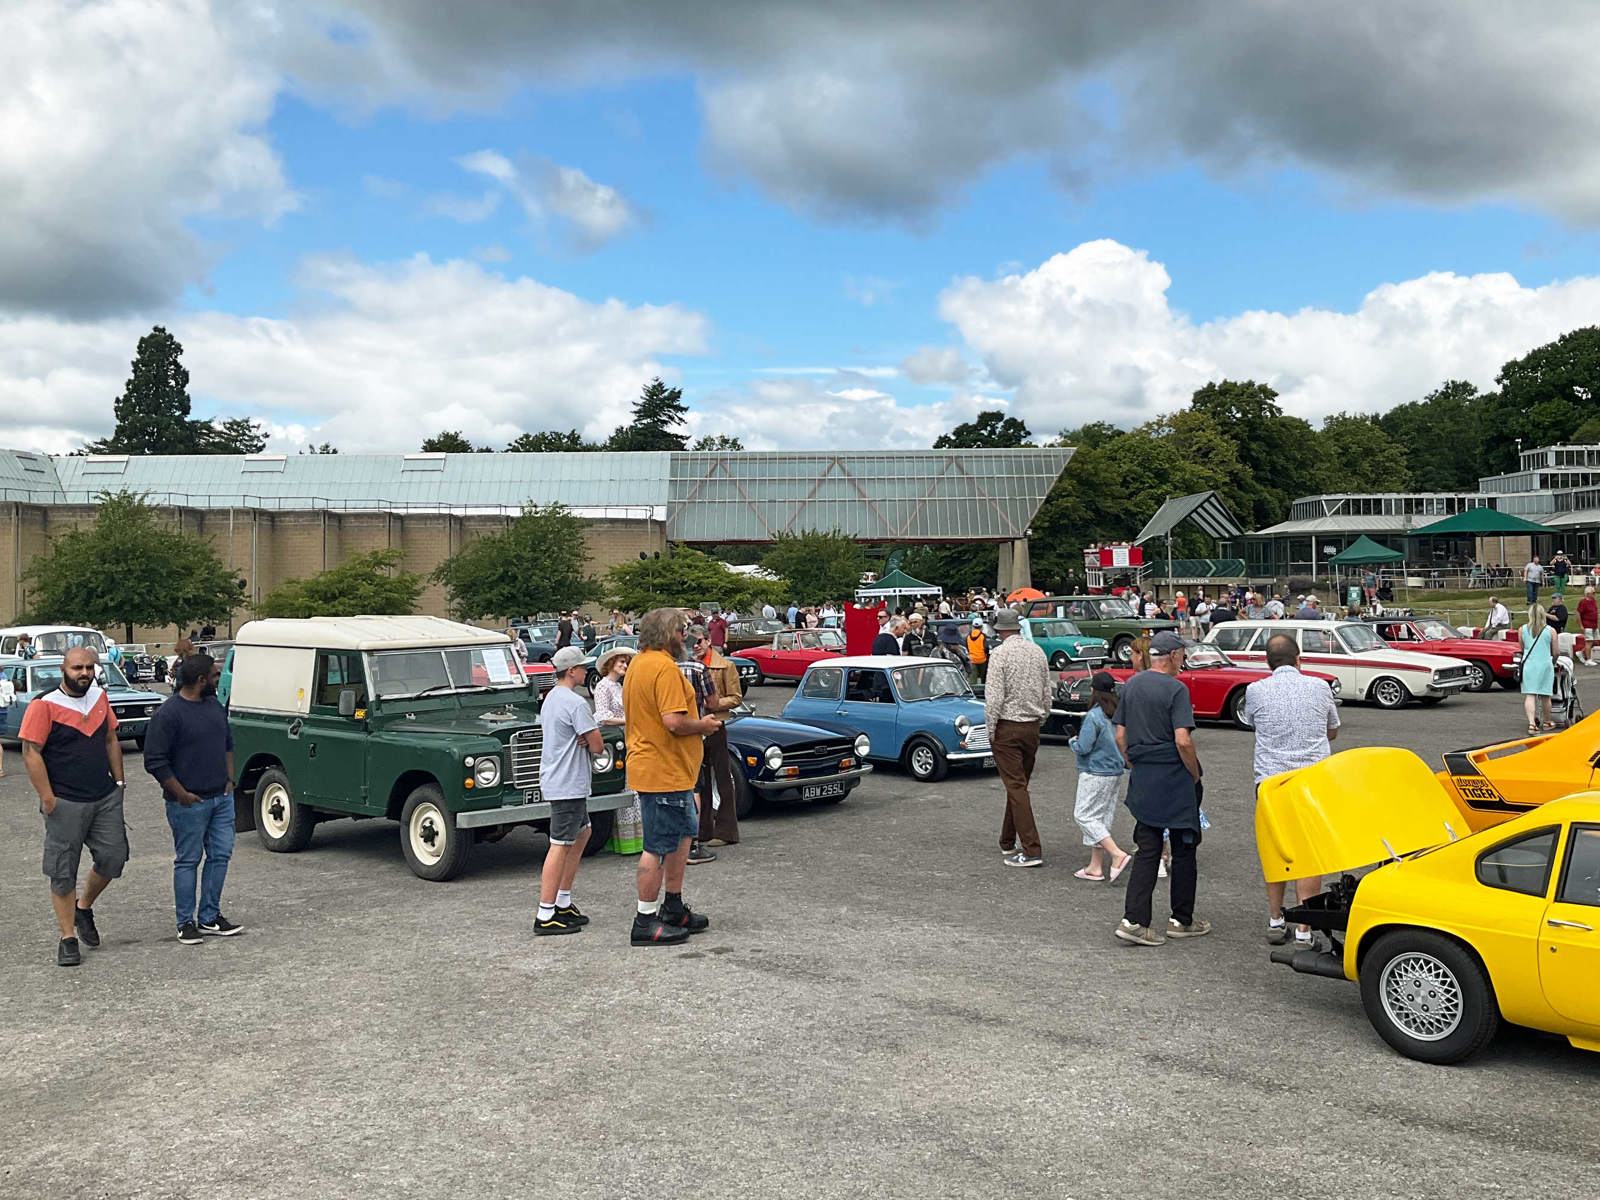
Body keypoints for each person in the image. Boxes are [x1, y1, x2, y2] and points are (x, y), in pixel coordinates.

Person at [18, 646, 128, 966]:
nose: (84, 673)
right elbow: (30, 752)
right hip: (65, 801)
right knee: (62, 871)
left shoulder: (99, 697)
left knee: (113, 858)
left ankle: (84, 907)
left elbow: (110, 739)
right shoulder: (45, 705)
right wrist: (48, 798)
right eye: (77, 667)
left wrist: (119, 783)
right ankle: (68, 937)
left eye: (89, 668)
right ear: (63, 669)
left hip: (104, 797)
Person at [622, 608, 721, 945]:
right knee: (659, 845)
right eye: (681, 631)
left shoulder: (638, 663)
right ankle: (644, 920)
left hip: (670, 769)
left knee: (680, 837)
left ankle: (673, 906)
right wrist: (705, 725)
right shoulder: (662, 668)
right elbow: (674, 722)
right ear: (667, 634)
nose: (686, 638)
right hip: (663, 770)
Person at [1243, 634, 1341, 947]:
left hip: (1272, 783)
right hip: (1312, 782)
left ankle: (1276, 919)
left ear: (1267, 662)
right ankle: (1304, 928)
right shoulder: (1320, 687)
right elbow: (1333, 729)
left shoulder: (1255, 690)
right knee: (1309, 853)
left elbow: (1252, 722)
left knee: (1276, 850)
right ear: (1300, 659)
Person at [1113, 631, 1208, 946]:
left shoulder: (1132, 685)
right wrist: (1194, 773)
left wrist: (1133, 763)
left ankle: (1134, 920)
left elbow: (1120, 736)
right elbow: (1183, 739)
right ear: (1175, 655)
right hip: (1174, 776)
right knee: (1184, 848)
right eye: (1183, 655)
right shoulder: (1176, 689)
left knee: (1148, 847)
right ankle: (1182, 918)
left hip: (1144, 774)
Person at [143, 653, 241, 945]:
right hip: (188, 803)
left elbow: (227, 743)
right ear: (200, 680)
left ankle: (210, 916)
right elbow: (155, 761)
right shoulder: (168, 714)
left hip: (221, 799)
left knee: (220, 856)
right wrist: (180, 793)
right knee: (188, 860)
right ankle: (185, 922)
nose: (216, 680)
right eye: (213, 676)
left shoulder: (213, 706)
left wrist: (230, 780)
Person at [533, 647, 604, 935]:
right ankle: (545, 912)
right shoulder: (575, 703)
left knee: (583, 832)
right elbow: (597, 744)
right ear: (571, 671)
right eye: (582, 667)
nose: (586, 671)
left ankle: (562, 901)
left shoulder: (551, 698)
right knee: (560, 843)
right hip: (568, 782)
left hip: (558, 778)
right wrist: (589, 739)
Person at [986, 609, 1051, 868]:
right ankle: (1006, 840)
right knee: (1018, 785)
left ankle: (1032, 849)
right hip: (1032, 726)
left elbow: (994, 697)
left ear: (1000, 630)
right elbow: (1047, 691)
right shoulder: (1037, 652)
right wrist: (1041, 718)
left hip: (1007, 726)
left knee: (1016, 786)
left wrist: (991, 729)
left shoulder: (999, 654)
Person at [1068, 671, 1132, 882]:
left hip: (1094, 771)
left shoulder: (1094, 715)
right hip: (1115, 771)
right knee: (1102, 817)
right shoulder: (1119, 713)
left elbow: (1084, 747)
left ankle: (1116, 854)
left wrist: (1072, 742)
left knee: (1084, 815)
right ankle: (1095, 866)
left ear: (1094, 690)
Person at [688, 627, 743, 848]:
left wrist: (714, 704)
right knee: (699, 781)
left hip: (716, 724)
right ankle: (704, 830)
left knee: (723, 777)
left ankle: (727, 830)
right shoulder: (688, 665)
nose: (695, 645)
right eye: (691, 641)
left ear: (709, 641)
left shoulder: (725, 665)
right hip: (694, 727)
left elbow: (736, 697)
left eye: (699, 641)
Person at [1521, 604, 1557, 733]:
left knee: (1530, 694)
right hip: (1545, 665)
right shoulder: (1551, 630)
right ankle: (1547, 721)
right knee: (1545, 696)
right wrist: (1553, 661)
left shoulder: (1522, 629)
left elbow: (1522, 648)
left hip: (1529, 665)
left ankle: (1532, 723)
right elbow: (1556, 651)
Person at [965, 616, 989, 683]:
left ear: (972, 626)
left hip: (972, 660)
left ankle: (975, 692)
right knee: (984, 678)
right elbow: (986, 648)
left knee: (973, 681)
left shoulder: (968, 636)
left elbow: (967, 648)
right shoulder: (983, 636)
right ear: (982, 627)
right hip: (982, 660)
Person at [1580, 588, 1599, 667]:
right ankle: (1588, 660)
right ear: (1587, 594)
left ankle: (1581, 652)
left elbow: (1595, 612)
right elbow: (1578, 613)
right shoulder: (1583, 602)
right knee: (1589, 641)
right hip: (1587, 624)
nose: (1594, 594)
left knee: (1595, 641)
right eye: (1593, 593)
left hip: (1594, 625)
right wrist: (1581, 625)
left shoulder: (1593, 601)